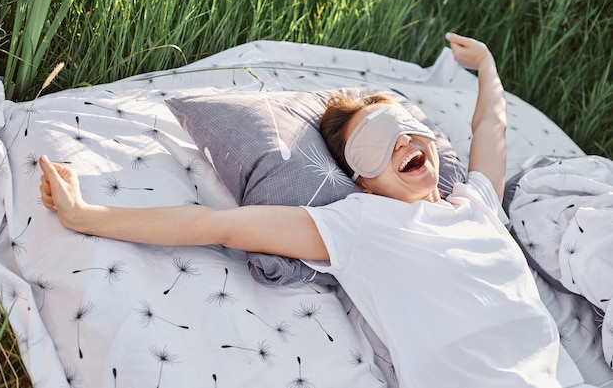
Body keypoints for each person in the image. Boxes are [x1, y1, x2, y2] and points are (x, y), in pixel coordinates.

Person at [39, 33, 561, 387]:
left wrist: (488, 67)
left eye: (404, 126)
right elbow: (214, 224)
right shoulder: (360, 223)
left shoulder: (475, 204)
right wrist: (86, 215)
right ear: (361, 180)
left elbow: (492, 131)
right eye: (378, 142)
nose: (402, 141)